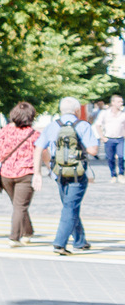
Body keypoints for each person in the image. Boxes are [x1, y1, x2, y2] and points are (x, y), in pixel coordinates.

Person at [35, 96, 99, 254]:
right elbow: (93, 150)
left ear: (61, 110)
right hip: (77, 173)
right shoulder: (83, 125)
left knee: (69, 205)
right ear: (77, 110)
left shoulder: (51, 126)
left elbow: (40, 149)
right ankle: (60, 243)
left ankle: (79, 240)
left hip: (59, 172)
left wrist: (42, 170)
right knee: (70, 207)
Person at [0, 102, 39, 245]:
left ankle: (28, 232)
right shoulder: (34, 134)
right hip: (25, 174)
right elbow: (42, 153)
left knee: (18, 205)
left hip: (6, 174)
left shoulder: (5, 131)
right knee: (20, 206)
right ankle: (14, 237)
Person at [98, 94, 125, 179]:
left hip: (120, 138)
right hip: (109, 139)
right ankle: (113, 174)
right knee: (110, 158)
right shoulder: (105, 113)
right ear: (112, 102)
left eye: (121, 101)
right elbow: (98, 125)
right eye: (119, 101)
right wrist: (102, 137)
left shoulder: (123, 114)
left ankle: (121, 173)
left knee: (121, 156)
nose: (121, 103)